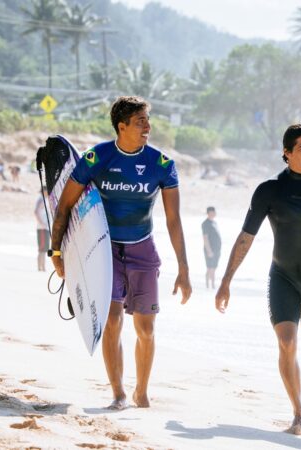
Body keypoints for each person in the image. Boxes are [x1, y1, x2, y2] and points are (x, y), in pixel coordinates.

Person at [50, 96, 192, 410]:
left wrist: (184, 268)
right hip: (104, 249)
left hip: (142, 247)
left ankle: (141, 390)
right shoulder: (95, 158)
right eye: (140, 121)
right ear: (122, 126)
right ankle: (118, 392)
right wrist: (56, 250)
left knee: (146, 328)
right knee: (112, 321)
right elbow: (65, 205)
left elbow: (173, 220)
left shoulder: (163, 164)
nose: (147, 127)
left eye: (148, 121)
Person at [215, 124, 301, 435]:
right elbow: (246, 237)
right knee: (286, 341)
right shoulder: (269, 190)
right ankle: (296, 411)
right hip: (284, 278)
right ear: (286, 152)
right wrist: (226, 280)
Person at [201, 206, 222, 289]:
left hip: (216, 249)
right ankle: (209, 286)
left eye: (214, 212)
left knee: (214, 268)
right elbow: (205, 238)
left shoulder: (214, 223)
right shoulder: (205, 223)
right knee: (210, 268)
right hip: (210, 249)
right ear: (208, 213)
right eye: (211, 212)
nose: (213, 214)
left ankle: (212, 285)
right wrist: (209, 250)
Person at [34, 189, 49, 272]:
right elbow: (36, 212)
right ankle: (41, 267)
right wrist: (42, 223)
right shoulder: (41, 199)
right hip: (42, 228)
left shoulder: (42, 198)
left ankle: (42, 267)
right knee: (42, 249)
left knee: (43, 249)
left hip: (44, 227)